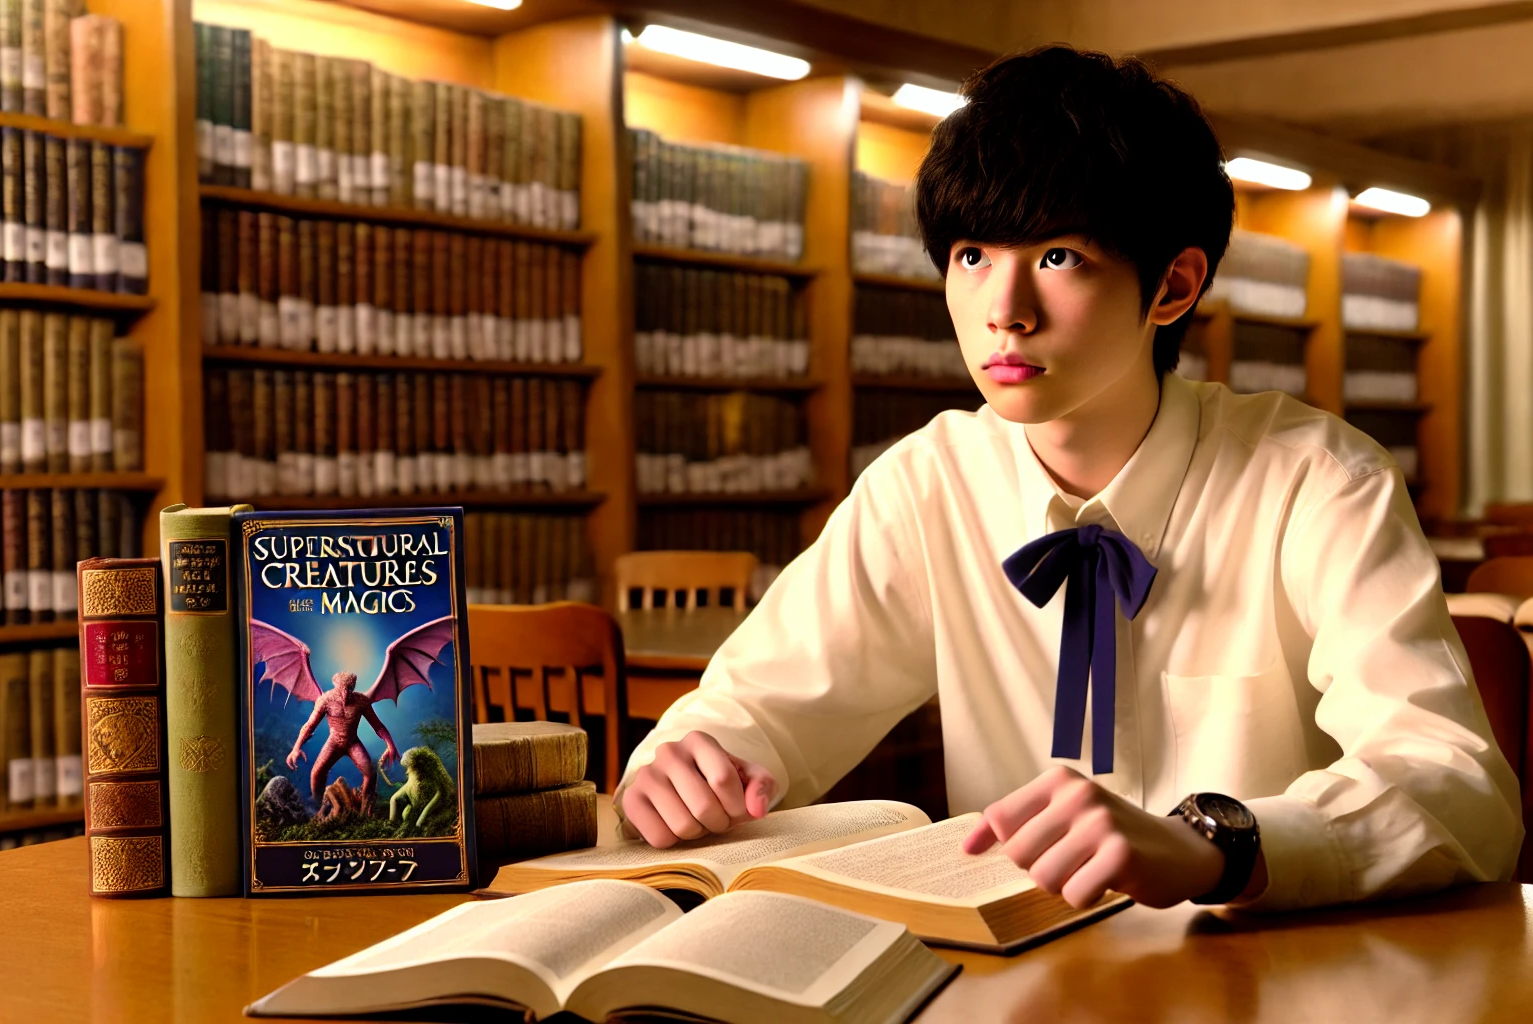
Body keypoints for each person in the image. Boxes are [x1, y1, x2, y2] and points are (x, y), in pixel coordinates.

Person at [614, 45, 1523, 912]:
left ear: (1173, 287)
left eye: (1059, 257)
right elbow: (758, 708)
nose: (1003, 313)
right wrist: (696, 764)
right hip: (1015, 976)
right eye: (973, 256)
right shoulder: (927, 485)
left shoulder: (1317, 482)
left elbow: (1456, 787)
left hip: (1272, 967)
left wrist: (1215, 844)